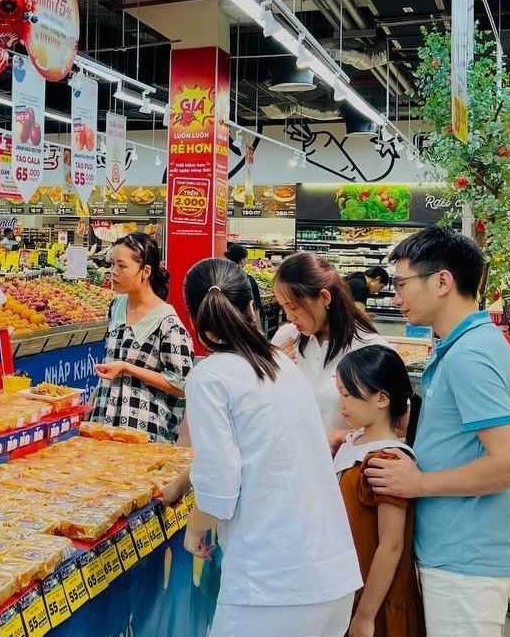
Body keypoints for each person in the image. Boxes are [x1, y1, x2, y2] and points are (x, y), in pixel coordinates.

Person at [364, 226, 510, 637]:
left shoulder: (470, 354)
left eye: (403, 283)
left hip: (465, 559)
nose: (395, 296)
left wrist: (418, 482)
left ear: (442, 281)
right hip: (455, 550)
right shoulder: (461, 345)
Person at [182, 257, 361, 637]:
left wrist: (195, 529)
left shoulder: (210, 377)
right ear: (252, 307)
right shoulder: (281, 364)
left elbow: (220, 484)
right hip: (333, 571)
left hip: (273, 584)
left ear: (193, 316)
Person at [333, 345, 425, 637]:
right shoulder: (355, 442)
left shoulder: (387, 459)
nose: (341, 404)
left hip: (375, 600)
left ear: (382, 398)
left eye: (348, 395)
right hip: (350, 584)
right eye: (339, 393)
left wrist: (365, 615)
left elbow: (391, 545)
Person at [89, 232, 194, 444]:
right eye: (112, 265)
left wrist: (128, 368)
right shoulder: (116, 307)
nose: (113, 272)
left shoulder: (168, 323)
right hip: (105, 425)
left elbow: (182, 385)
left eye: (122, 266)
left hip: (145, 431)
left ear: (145, 271)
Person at [271, 252, 388, 433]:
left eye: (294, 307)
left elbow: (395, 425)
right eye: (283, 307)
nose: (288, 316)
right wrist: (269, 370)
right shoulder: (286, 338)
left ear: (324, 298)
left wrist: (345, 438)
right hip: (289, 457)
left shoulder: (369, 347)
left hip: (343, 459)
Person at [223, 243, 263, 328]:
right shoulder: (248, 280)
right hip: (244, 328)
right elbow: (255, 309)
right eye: (246, 259)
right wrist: (259, 332)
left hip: (224, 326)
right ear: (242, 260)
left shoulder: (220, 279)